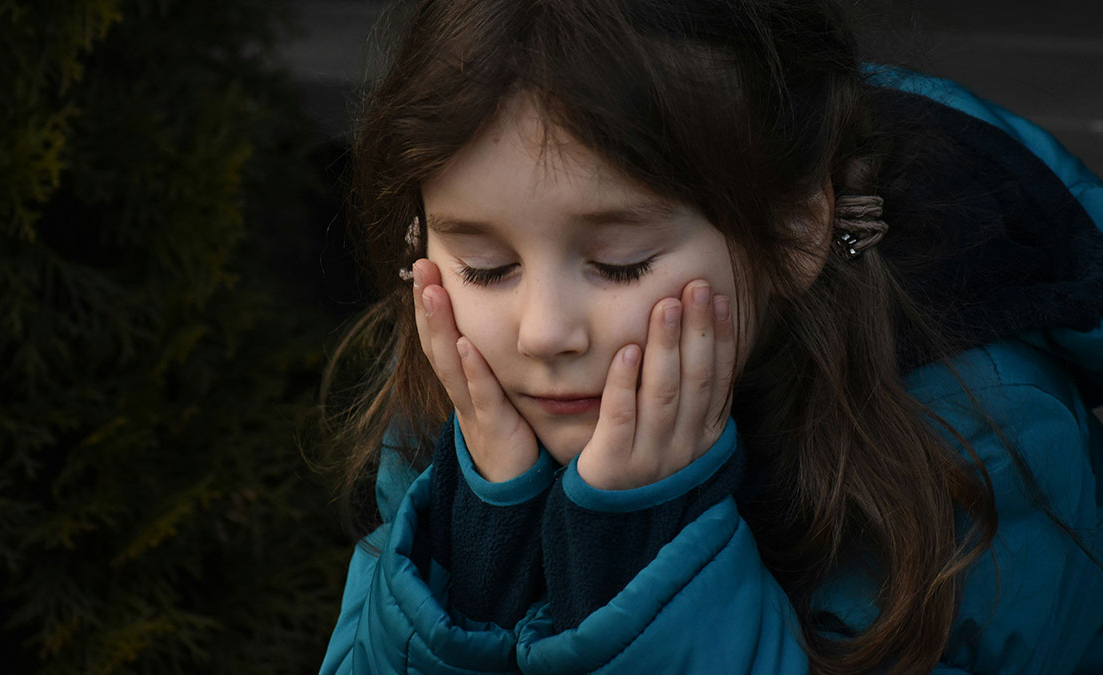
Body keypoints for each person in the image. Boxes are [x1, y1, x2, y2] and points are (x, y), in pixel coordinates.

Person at [319, 0, 1103, 671]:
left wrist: (643, 551)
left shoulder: (986, 447)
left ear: (795, 228)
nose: (542, 332)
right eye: (487, 267)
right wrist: (481, 543)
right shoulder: (463, 401)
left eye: (619, 263)